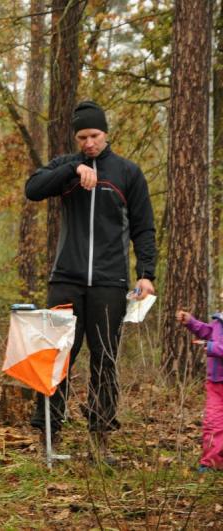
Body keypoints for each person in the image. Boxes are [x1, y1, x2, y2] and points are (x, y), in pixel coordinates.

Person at [24, 100, 156, 464]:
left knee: (105, 359)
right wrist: (73, 168)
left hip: (110, 281)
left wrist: (146, 274)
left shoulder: (128, 172)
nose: (89, 143)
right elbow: (33, 189)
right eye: (82, 137)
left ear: (106, 133)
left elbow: (144, 227)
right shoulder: (66, 167)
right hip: (66, 278)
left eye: (95, 135)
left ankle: (100, 442)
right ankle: (48, 439)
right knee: (56, 357)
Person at [176, 307, 223, 471]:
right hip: (215, 384)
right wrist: (191, 322)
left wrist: (213, 348)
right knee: (212, 422)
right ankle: (211, 463)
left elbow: (214, 345)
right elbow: (208, 332)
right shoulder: (219, 321)